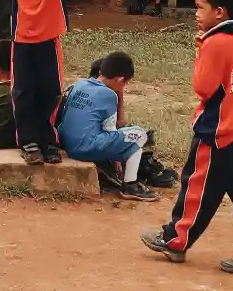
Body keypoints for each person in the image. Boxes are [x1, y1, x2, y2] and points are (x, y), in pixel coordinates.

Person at [141, 0, 233, 276]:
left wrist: (201, 50)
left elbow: (202, 88)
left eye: (201, 8)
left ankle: (175, 240)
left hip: (219, 131)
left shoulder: (214, 43)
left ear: (220, 12)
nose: (196, 14)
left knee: (197, 187)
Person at [5, 0, 70, 165]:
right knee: (23, 92)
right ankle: (29, 142)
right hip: (21, 40)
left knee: (50, 91)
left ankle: (48, 141)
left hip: (48, 40)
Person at [58, 51, 158, 201]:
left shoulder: (79, 84)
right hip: (84, 148)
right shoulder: (108, 94)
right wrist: (117, 157)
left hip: (66, 143)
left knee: (126, 135)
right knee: (140, 134)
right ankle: (130, 184)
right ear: (120, 79)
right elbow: (110, 129)